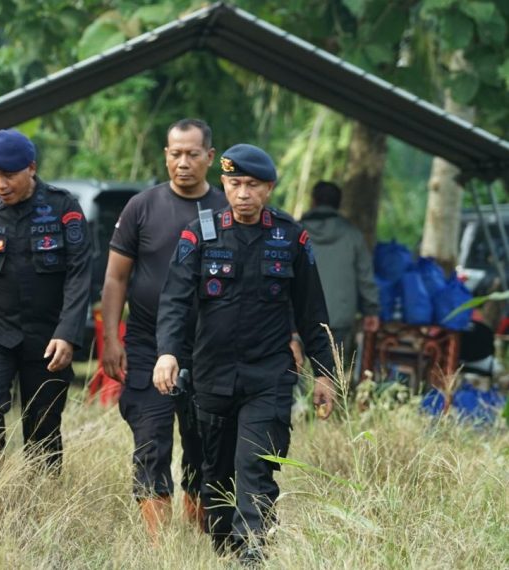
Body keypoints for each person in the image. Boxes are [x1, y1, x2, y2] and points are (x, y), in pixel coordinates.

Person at [153, 144, 336, 563]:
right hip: (211, 376)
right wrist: (168, 353)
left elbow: (313, 313)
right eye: (235, 184)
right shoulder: (200, 233)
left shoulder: (290, 237)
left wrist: (324, 374)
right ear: (223, 184)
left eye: (253, 185)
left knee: (256, 468)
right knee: (216, 476)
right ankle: (224, 551)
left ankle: (253, 556)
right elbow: (176, 301)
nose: (243, 194)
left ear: (269, 188)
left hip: (268, 376)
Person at [100, 119, 226, 539]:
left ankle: (196, 532)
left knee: (203, 441)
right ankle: (160, 547)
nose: (184, 163)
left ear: (210, 157)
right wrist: (112, 339)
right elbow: (116, 279)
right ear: (165, 156)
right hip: (145, 341)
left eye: (193, 154)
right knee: (151, 437)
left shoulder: (227, 211)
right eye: (176, 154)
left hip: (207, 347)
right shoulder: (142, 206)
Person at [0, 129, 91, 473]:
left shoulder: (64, 207)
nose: (0, 185)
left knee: (43, 424)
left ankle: (41, 502)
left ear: (31, 168)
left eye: (9, 176)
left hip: (48, 335)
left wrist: (67, 333)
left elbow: (79, 274)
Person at [300, 180, 381, 350]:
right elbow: (365, 276)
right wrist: (371, 310)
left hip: (299, 314)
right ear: (339, 204)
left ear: (313, 201)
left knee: (294, 369)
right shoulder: (352, 234)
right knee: (330, 371)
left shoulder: (295, 231)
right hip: (338, 317)